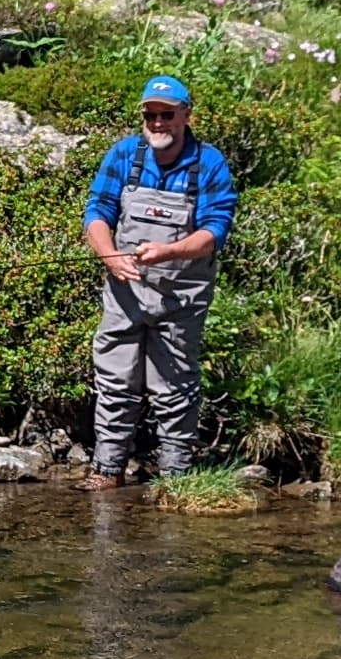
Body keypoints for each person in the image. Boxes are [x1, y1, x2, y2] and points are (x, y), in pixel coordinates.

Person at [80, 76, 235, 489]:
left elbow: (215, 230)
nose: (158, 122)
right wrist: (109, 255)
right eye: (151, 115)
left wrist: (169, 252)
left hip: (181, 296)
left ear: (187, 115)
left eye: (167, 114)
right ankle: (107, 472)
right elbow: (97, 210)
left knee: (175, 388)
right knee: (114, 383)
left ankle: (176, 480)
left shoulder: (210, 163)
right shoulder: (124, 155)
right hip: (125, 292)